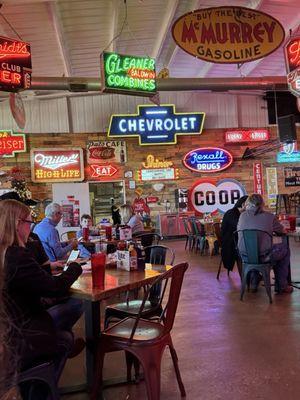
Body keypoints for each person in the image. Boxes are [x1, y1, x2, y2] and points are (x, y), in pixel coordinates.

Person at [1, 200, 83, 399]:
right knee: (66, 331)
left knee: (64, 313)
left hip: (8, 326)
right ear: (17, 223)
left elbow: (31, 281)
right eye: (30, 222)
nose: (32, 226)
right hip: (19, 335)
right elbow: (54, 288)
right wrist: (74, 267)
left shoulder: (5, 254)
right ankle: (40, 391)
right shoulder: (17, 256)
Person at [237, 193, 293, 293]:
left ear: (248, 203)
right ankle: (282, 286)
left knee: (255, 250)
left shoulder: (242, 216)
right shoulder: (269, 216)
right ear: (262, 203)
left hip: (244, 256)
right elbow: (282, 231)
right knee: (284, 249)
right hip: (264, 256)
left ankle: (254, 283)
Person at [221, 195, 248, 276]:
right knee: (248, 249)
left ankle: (253, 274)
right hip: (230, 243)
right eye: (250, 205)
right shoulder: (231, 213)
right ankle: (247, 276)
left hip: (237, 240)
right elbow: (239, 228)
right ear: (243, 204)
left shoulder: (241, 214)